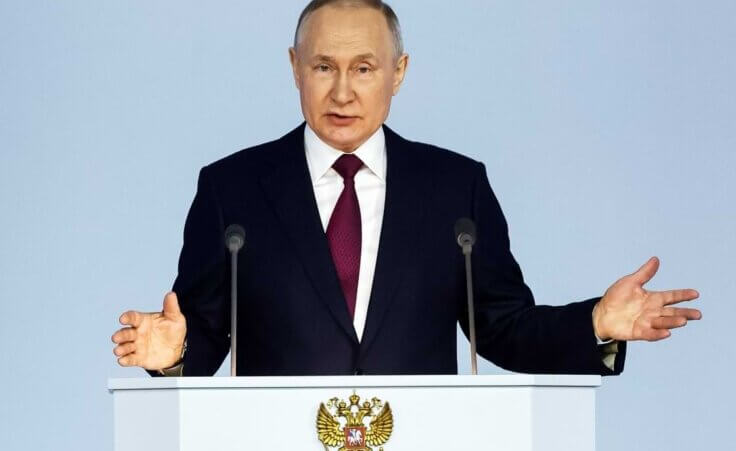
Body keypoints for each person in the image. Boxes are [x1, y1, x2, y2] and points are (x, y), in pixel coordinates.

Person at [111, 0, 701, 377]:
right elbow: (207, 337)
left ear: (399, 72)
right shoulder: (230, 189)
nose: (343, 92)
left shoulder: (455, 188)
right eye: (323, 67)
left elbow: (502, 328)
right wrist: (174, 354)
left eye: (364, 69)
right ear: (295, 67)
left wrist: (594, 322)